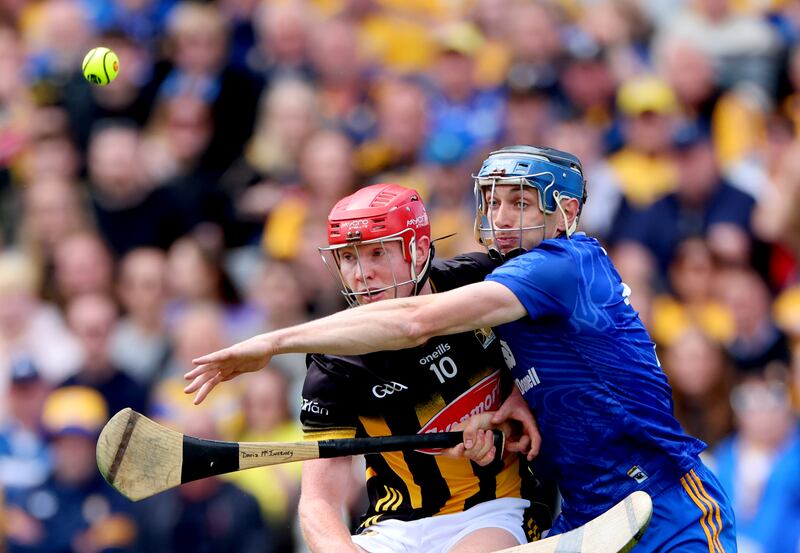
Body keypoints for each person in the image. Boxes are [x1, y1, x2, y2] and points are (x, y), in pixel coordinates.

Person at [185, 146, 737, 552]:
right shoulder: (496, 279)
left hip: (665, 498)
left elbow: (414, 322)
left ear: (564, 210)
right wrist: (522, 398)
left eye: (520, 203)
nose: (500, 218)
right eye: (494, 202)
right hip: (587, 513)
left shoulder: (562, 263)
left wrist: (272, 342)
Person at [222, 183, 551, 552]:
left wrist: (523, 393)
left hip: (493, 511)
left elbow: (569, 340)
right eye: (348, 257)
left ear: (420, 248)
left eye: (377, 252)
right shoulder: (334, 364)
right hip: (393, 528)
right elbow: (318, 502)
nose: (362, 273)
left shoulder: (481, 282)